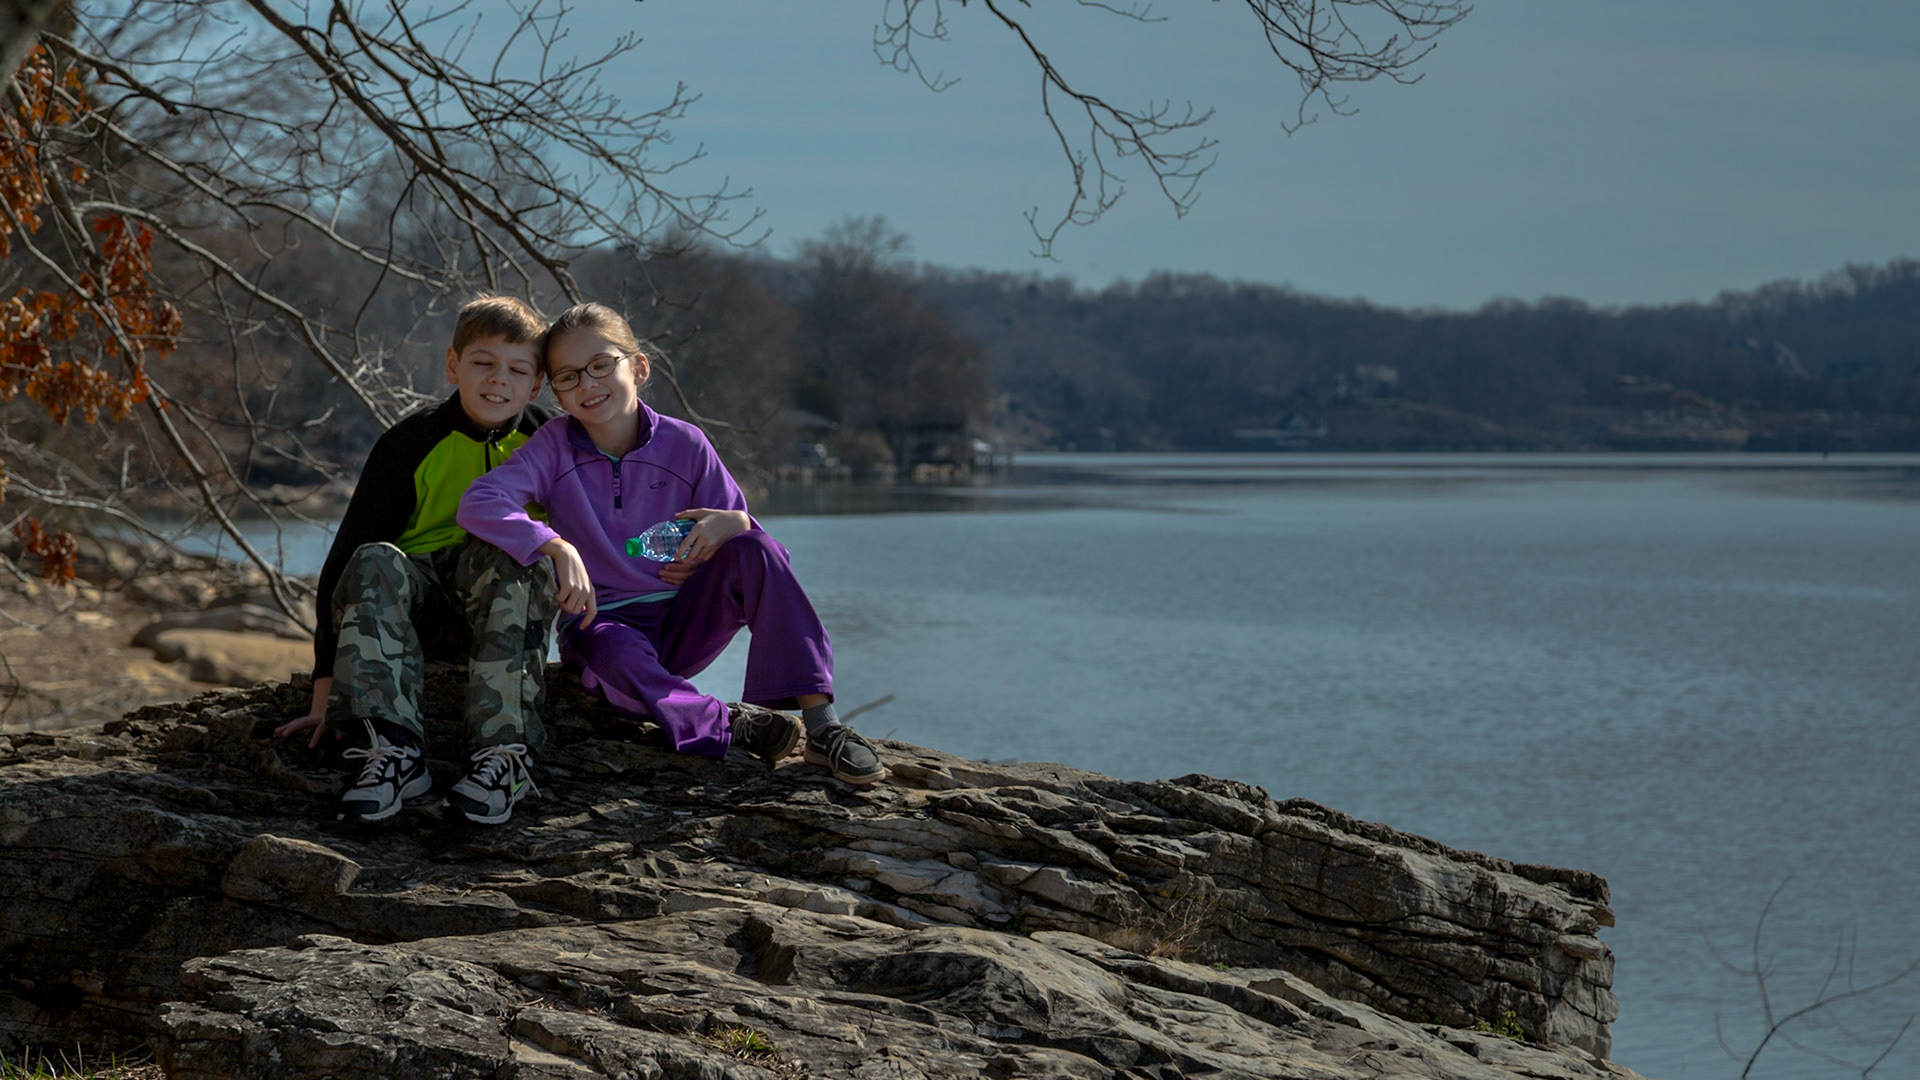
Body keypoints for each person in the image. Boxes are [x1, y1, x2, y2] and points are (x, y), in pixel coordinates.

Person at [456, 302, 884, 785]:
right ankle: (726, 723)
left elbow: (765, 562)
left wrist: (738, 521)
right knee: (615, 658)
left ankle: (823, 727)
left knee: (757, 550)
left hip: (685, 620)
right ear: (555, 392)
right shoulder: (554, 446)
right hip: (604, 624)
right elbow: (480, 501)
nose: (588, 385)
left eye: (601, 366)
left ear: (638, 368)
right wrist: (554, 545)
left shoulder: (687, 445)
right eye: (568, 377)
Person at [275, 295, 559, 825]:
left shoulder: (551, 441)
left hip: (501, 607)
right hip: (415, 612)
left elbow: (603, 533)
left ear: (536, 383)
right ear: (453, 364)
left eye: (518, 370)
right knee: (375, 557)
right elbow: (342, 567)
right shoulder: (409, 443)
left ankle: (504, 757)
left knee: (519, 556)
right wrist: (324, 695)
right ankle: (395, 752)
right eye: (483, 363)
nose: (499, 380)